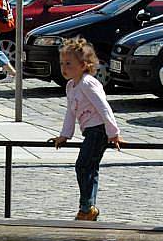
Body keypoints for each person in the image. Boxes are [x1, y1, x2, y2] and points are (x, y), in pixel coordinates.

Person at [53, 37, 123, 221]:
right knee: (86, 166)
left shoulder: (87, 83)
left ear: (84, 65)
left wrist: (113, 133)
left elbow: (103, 107)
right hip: (89, 130)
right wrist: (65, 135)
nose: (64, 68)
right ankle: (86, 207)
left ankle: (87, 207)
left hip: (99, 129)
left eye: (69, 63)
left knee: (85, 165)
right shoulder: (71, 86)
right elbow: (70, 112)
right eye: (62, 63)